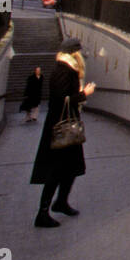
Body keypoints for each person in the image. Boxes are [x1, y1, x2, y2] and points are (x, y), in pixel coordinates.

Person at [30, 36, 96, 227]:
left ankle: (60, 202)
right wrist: (84, 94)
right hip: (61, 126)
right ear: (75, 53)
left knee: (71, 167)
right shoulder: (63, 70)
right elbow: (62, 99)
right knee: (57, 170)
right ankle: (42, 213)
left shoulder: (66, 69)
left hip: (66, 124)